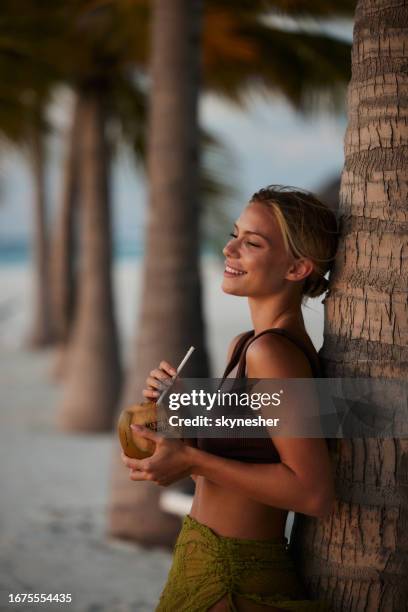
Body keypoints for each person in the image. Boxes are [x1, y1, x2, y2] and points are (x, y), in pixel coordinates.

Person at [121, 185, 338, 611]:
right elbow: (244, 455)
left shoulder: (272, 353)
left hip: (235, 579)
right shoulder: (246, 345)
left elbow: (312, 493)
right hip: (202, 559)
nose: (229, 248)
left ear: (296, 268)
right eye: (234, 234)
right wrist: (177, 414)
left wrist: (191, 461)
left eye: (251, 243)